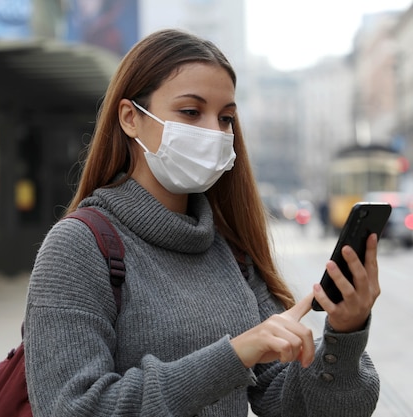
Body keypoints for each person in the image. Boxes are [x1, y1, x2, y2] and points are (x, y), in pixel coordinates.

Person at [24, 28, 381, 417]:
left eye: (226, 117)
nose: (215, 131)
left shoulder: (231, 251)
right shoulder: (78, 246)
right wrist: (234, 355)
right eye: (191, 112)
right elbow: (70, 408)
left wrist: (344, 334)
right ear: (130, 118)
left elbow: (300, 406)